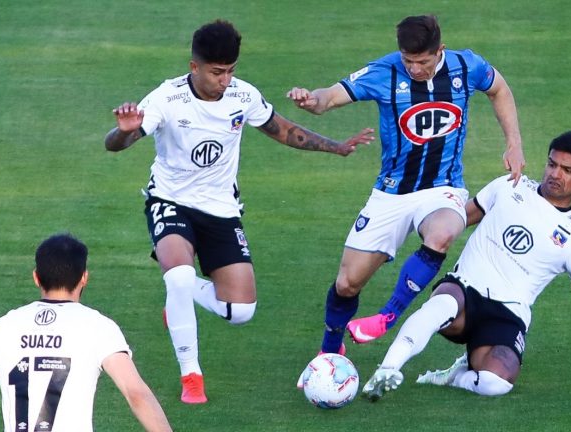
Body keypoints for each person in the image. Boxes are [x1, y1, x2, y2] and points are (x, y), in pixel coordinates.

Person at [104, 20, 373, 404]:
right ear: (194, 67)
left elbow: (282, 129)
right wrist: (124, 131)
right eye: (217, 72)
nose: (225, 80)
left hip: (222, 210)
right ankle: (191, 376)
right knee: (178, 275)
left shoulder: (243, 96)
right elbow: (115, 144)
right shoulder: (166, 98)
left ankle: (178, 301)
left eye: (230, 70)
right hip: (170, 201)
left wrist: (337, 147)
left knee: (241, 311)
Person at [288, 15, 524, 378]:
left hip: (442, 188)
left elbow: (500, 88)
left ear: (440, 51)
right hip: (391, 194)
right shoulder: (386, 72)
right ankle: (330, 347)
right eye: (408, 60)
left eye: (423, 62)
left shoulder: (466, 66)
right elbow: (329, 98)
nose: (414, 68)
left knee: (443, 232)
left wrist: (514, 143)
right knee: (347, 283)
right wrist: (309, 99)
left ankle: (388, 315)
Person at [360, 131, 571, 400]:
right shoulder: (510, 186)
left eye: (567, 170)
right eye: (552, 164)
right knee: (441, 305)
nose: (555, 174)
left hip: (508, 315)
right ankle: (387, 369)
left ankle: (456, 375)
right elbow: (458, 219)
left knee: (497, 383)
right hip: (465, 291)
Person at [0, 234, 172, 431]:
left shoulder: (5, 326)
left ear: (36, 277)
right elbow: (136, 393)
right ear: (84, 278)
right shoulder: (99, 326)